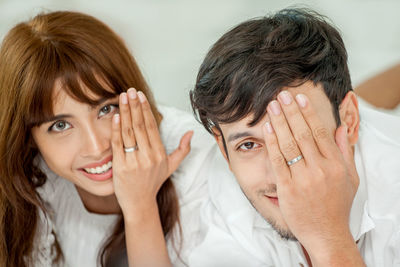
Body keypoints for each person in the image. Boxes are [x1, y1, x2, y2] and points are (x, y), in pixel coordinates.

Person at [0, 11, 215, 267]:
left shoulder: (199, 162)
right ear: (29, 138)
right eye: (60, 125)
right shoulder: (29, 181)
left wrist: (140, 206)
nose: (97, 147)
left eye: (106, 109)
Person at [190, 8, 400, 267]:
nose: (280, 174)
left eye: (297, 132)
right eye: (248, 144)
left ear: (349, 121)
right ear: (224, 149)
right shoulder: (227, 197)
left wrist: (329, 238)